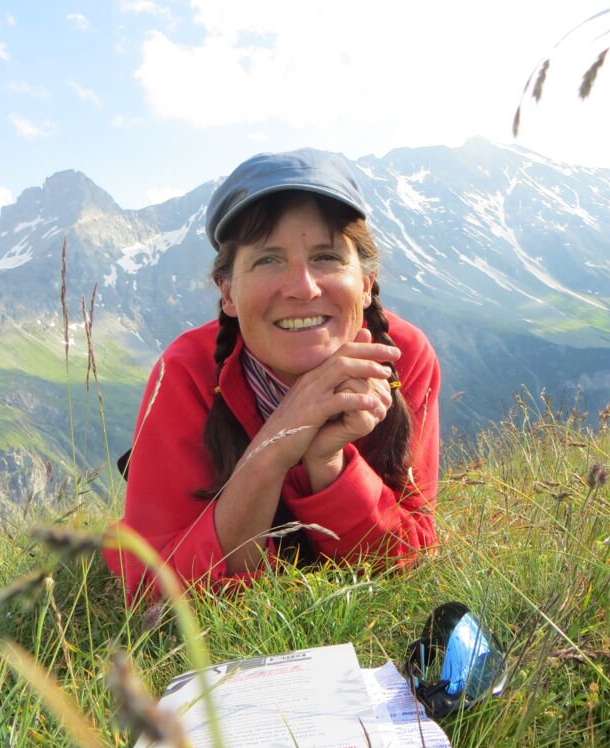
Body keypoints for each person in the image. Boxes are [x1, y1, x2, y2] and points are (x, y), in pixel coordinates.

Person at [104, 149, 440, 599]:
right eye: (267, 260)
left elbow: (410, 553)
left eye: (326, 257)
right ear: (227, 292)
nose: (303, 287)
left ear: (365, 282)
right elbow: (150, 584)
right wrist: (280, 440)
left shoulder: (401, 356)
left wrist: (327, 463)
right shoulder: (187, 371)